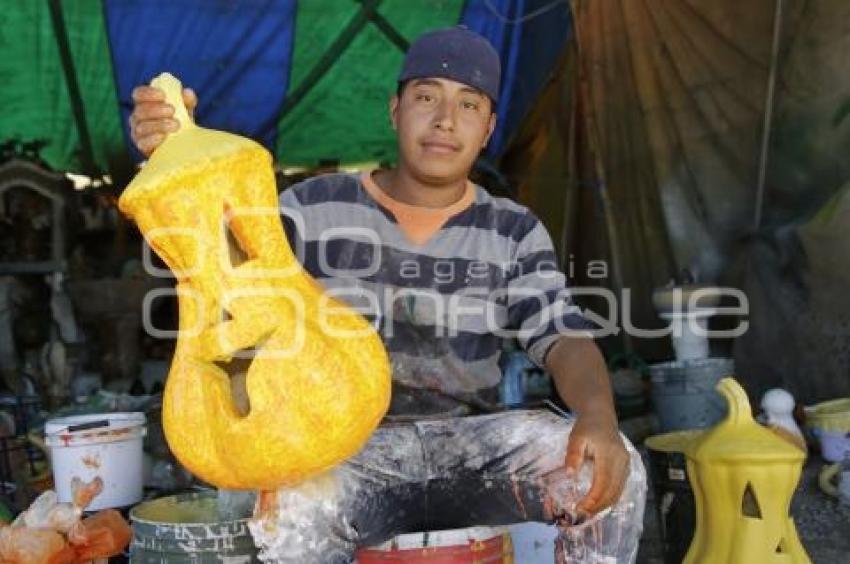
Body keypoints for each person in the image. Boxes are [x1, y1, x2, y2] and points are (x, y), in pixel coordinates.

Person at [129, 26, 645, 563]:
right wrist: (174, 147)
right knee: (284, 515)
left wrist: (599, 416)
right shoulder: (312, 209)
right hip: (344, 452)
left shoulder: (512, 229)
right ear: (394, 109)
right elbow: (217, 247)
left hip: (472, 448)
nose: (445, 120)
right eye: (426, 97)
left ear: (490, 129)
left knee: (608, 470)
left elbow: (563, 337)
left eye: (468, 106)